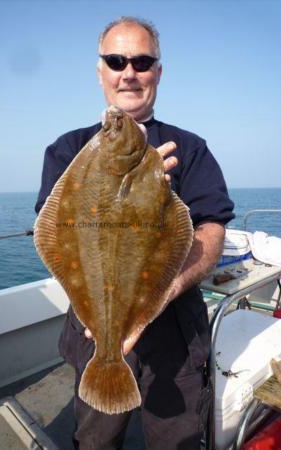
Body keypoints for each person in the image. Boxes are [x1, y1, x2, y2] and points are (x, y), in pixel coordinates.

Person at [35, 16, 234, 450]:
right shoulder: (68, 150)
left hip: (176, 337)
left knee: (176, 440)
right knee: (95, 441)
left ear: (157, 72)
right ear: (100, 70)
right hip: (94, 333)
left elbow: (211, 226)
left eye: (142, 61)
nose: (129, 72)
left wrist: (166, 288)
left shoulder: (189, 148)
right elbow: (56, 229)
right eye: (116, 59)